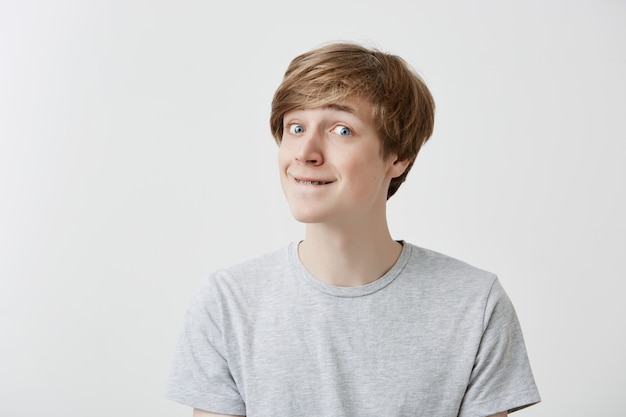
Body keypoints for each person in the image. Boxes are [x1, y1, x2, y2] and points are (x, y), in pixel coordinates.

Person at [166, 42, 541, 417]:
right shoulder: (227, 303)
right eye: (295, 127)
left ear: (398, 157)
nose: (306, 152)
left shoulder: (475, 305)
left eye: (341, 130)